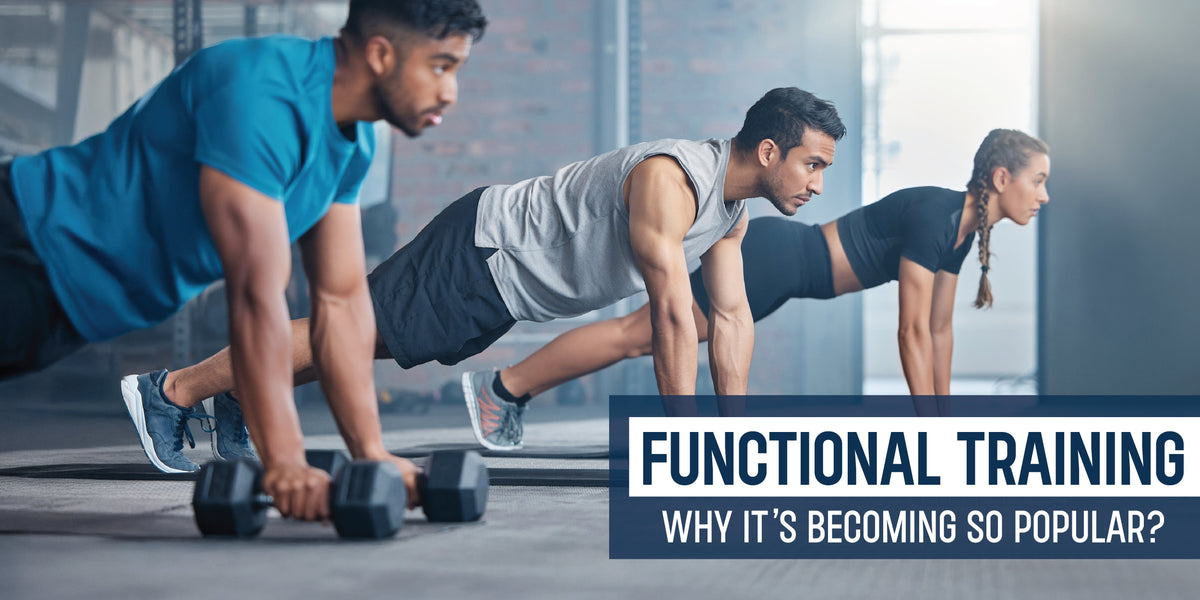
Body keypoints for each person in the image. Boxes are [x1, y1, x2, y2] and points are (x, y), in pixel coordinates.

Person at [129, 86, 846, 464]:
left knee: (361, 343)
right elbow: (669, 316)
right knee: (347, 333)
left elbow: (728, 319)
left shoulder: (730, 214)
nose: (818, 185)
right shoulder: (673, 178)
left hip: (508, 284)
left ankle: (239, 395)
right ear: (769, 147)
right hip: (488, 252)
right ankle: (171, 392)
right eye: (812, 165)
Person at [1, 0, 487, 523]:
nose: (450, 92)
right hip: (25, 250)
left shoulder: (353, 139)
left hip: (70, 310)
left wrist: (371, 452)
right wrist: (283, 462)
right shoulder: (263, 92)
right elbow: (257, 297)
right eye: (441, 65)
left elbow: (340, 303)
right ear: (380, 54)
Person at [461, 128, 1051, 447]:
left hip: (785, 273)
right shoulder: (936, 217)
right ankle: (501, 390)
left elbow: (940, 333)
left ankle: (505, 392)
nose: (1043, 195)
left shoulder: (958, 232)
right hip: (776, 259)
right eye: (1038, 181)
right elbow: (911, 331)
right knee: (635, 336)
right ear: (1002, 178)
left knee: (637, 337)